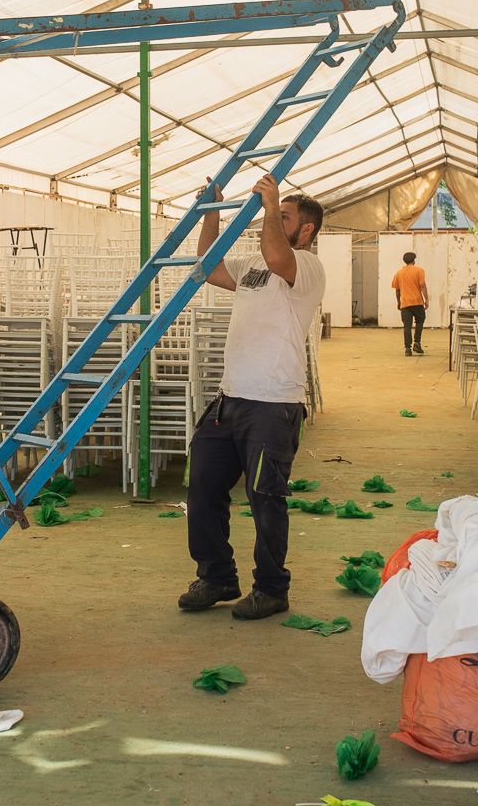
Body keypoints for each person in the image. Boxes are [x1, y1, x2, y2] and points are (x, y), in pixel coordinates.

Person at [179, 173, 326, 621]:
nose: (275, 222)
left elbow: (278, 254)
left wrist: (270, 206)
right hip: (230, 399)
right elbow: (208, 266)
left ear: (307, 230)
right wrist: (211, 211)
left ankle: (271, 588)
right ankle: (217, 576)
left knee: (265, 496)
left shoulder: (306, 268)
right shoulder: (251, 267)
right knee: (202, 487)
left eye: (285, 218)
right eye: (274, 217)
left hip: (273, 404)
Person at [391, 251, 429, 356]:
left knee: (407, 326)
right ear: (414, 260)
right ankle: (417, 343)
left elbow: (397, 290)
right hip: (417, 302)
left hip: (405, 304)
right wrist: (426, 300)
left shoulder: (398, 273)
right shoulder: (419, 270)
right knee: (420, 322)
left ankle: (407, 348)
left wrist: (398, 302)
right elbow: (422, 286)